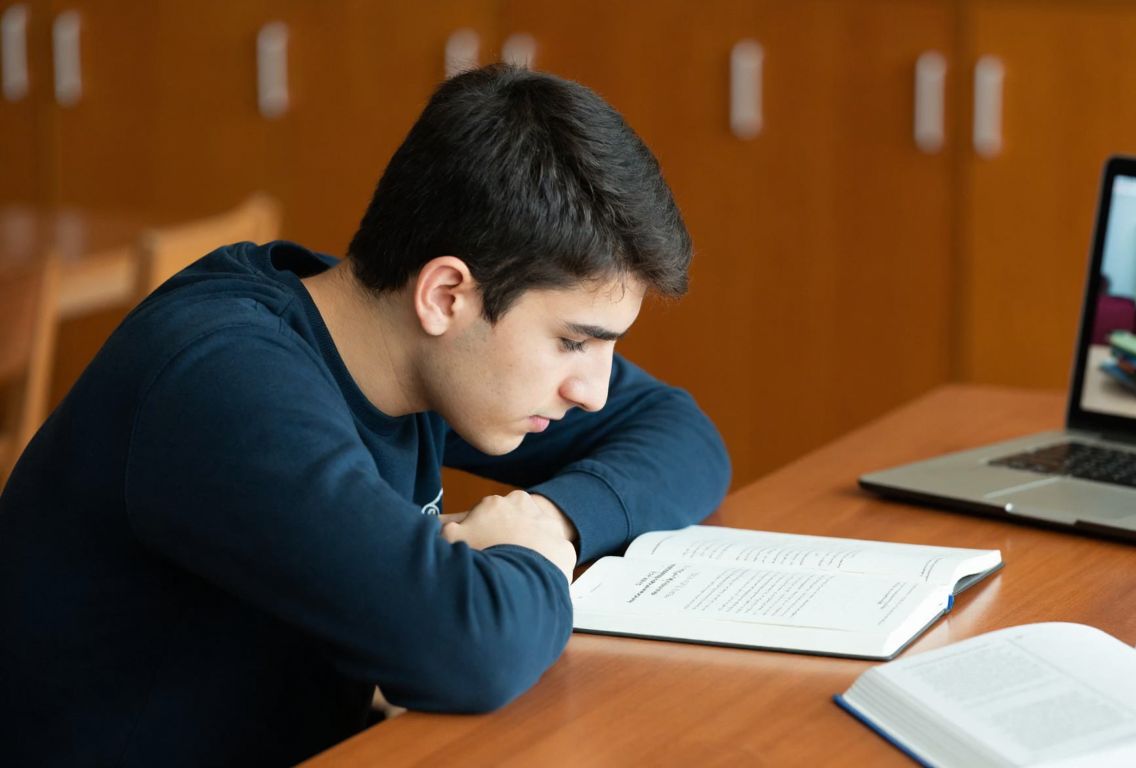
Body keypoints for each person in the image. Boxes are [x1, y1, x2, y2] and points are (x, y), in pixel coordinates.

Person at [0, 65, 730, 766]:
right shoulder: (222, 383)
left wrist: (552, 523)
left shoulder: (394, 337)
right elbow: (469, 650)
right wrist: (535, 562)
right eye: (572, 342)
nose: (593, 391)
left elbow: (685, 436)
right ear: (446, 295)